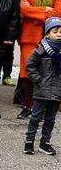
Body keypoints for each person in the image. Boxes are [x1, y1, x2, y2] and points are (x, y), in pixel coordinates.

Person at [17, 0, 61, 119]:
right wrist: (45, 11)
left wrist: (35, 12)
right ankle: (28, 105)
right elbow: (23, 9)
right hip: (29, 36)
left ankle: (46, 106)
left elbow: (58, 11)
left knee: (49, 71)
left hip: (53, 37)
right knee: (28, 72)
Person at [23, 17, 61, 156]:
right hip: (42, 90)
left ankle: (45, 143)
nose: (58, 34)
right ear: (47, 34)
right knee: (35, 117)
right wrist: (38, 80)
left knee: (50, 119)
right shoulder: (41, 49)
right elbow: (30, 65)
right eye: (55, 31)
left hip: (57, 91)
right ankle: (29, 141)